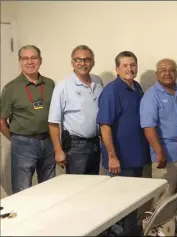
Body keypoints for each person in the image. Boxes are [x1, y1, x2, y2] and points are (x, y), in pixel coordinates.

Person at [97, 50, 151, 235]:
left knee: (133, 203)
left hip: (136, 158)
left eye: (133, 65)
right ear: (117, 69)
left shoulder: (137, 87)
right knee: (119, 206)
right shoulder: (111, 91)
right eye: (125, 65)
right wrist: (112, 156)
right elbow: (105, 126)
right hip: (120, 160)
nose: (130, 68)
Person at [140, 58, 177, 235]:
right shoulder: (151, 95)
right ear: (157, 74)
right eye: (162, 70)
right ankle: (160, 235)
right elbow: (148, 128)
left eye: (171, 70)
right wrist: (159, 152)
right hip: (165, 157)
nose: (167, 73)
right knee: (164, 202)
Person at [0, 45, 55, 194]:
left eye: (34, 58)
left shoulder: (50, 84)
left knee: (50, 187)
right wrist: (16, 139)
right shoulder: (10, 88)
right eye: (25, 58)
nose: (30, 62)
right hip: (23, 143)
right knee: (22, 189)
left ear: (40, 60)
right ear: (20, 61)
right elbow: (2, 121)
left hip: (48, 141)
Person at [48, 45, 103, 174]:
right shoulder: (63, 86)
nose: (82, 63)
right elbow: (53, 122)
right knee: (77, 186)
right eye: (78, 60)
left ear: (93, 62)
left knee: (93, 185)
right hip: (75, 146)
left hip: (95, 143)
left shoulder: (98, 82)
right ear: (72, 63)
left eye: (87, 60)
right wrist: (58, 150)